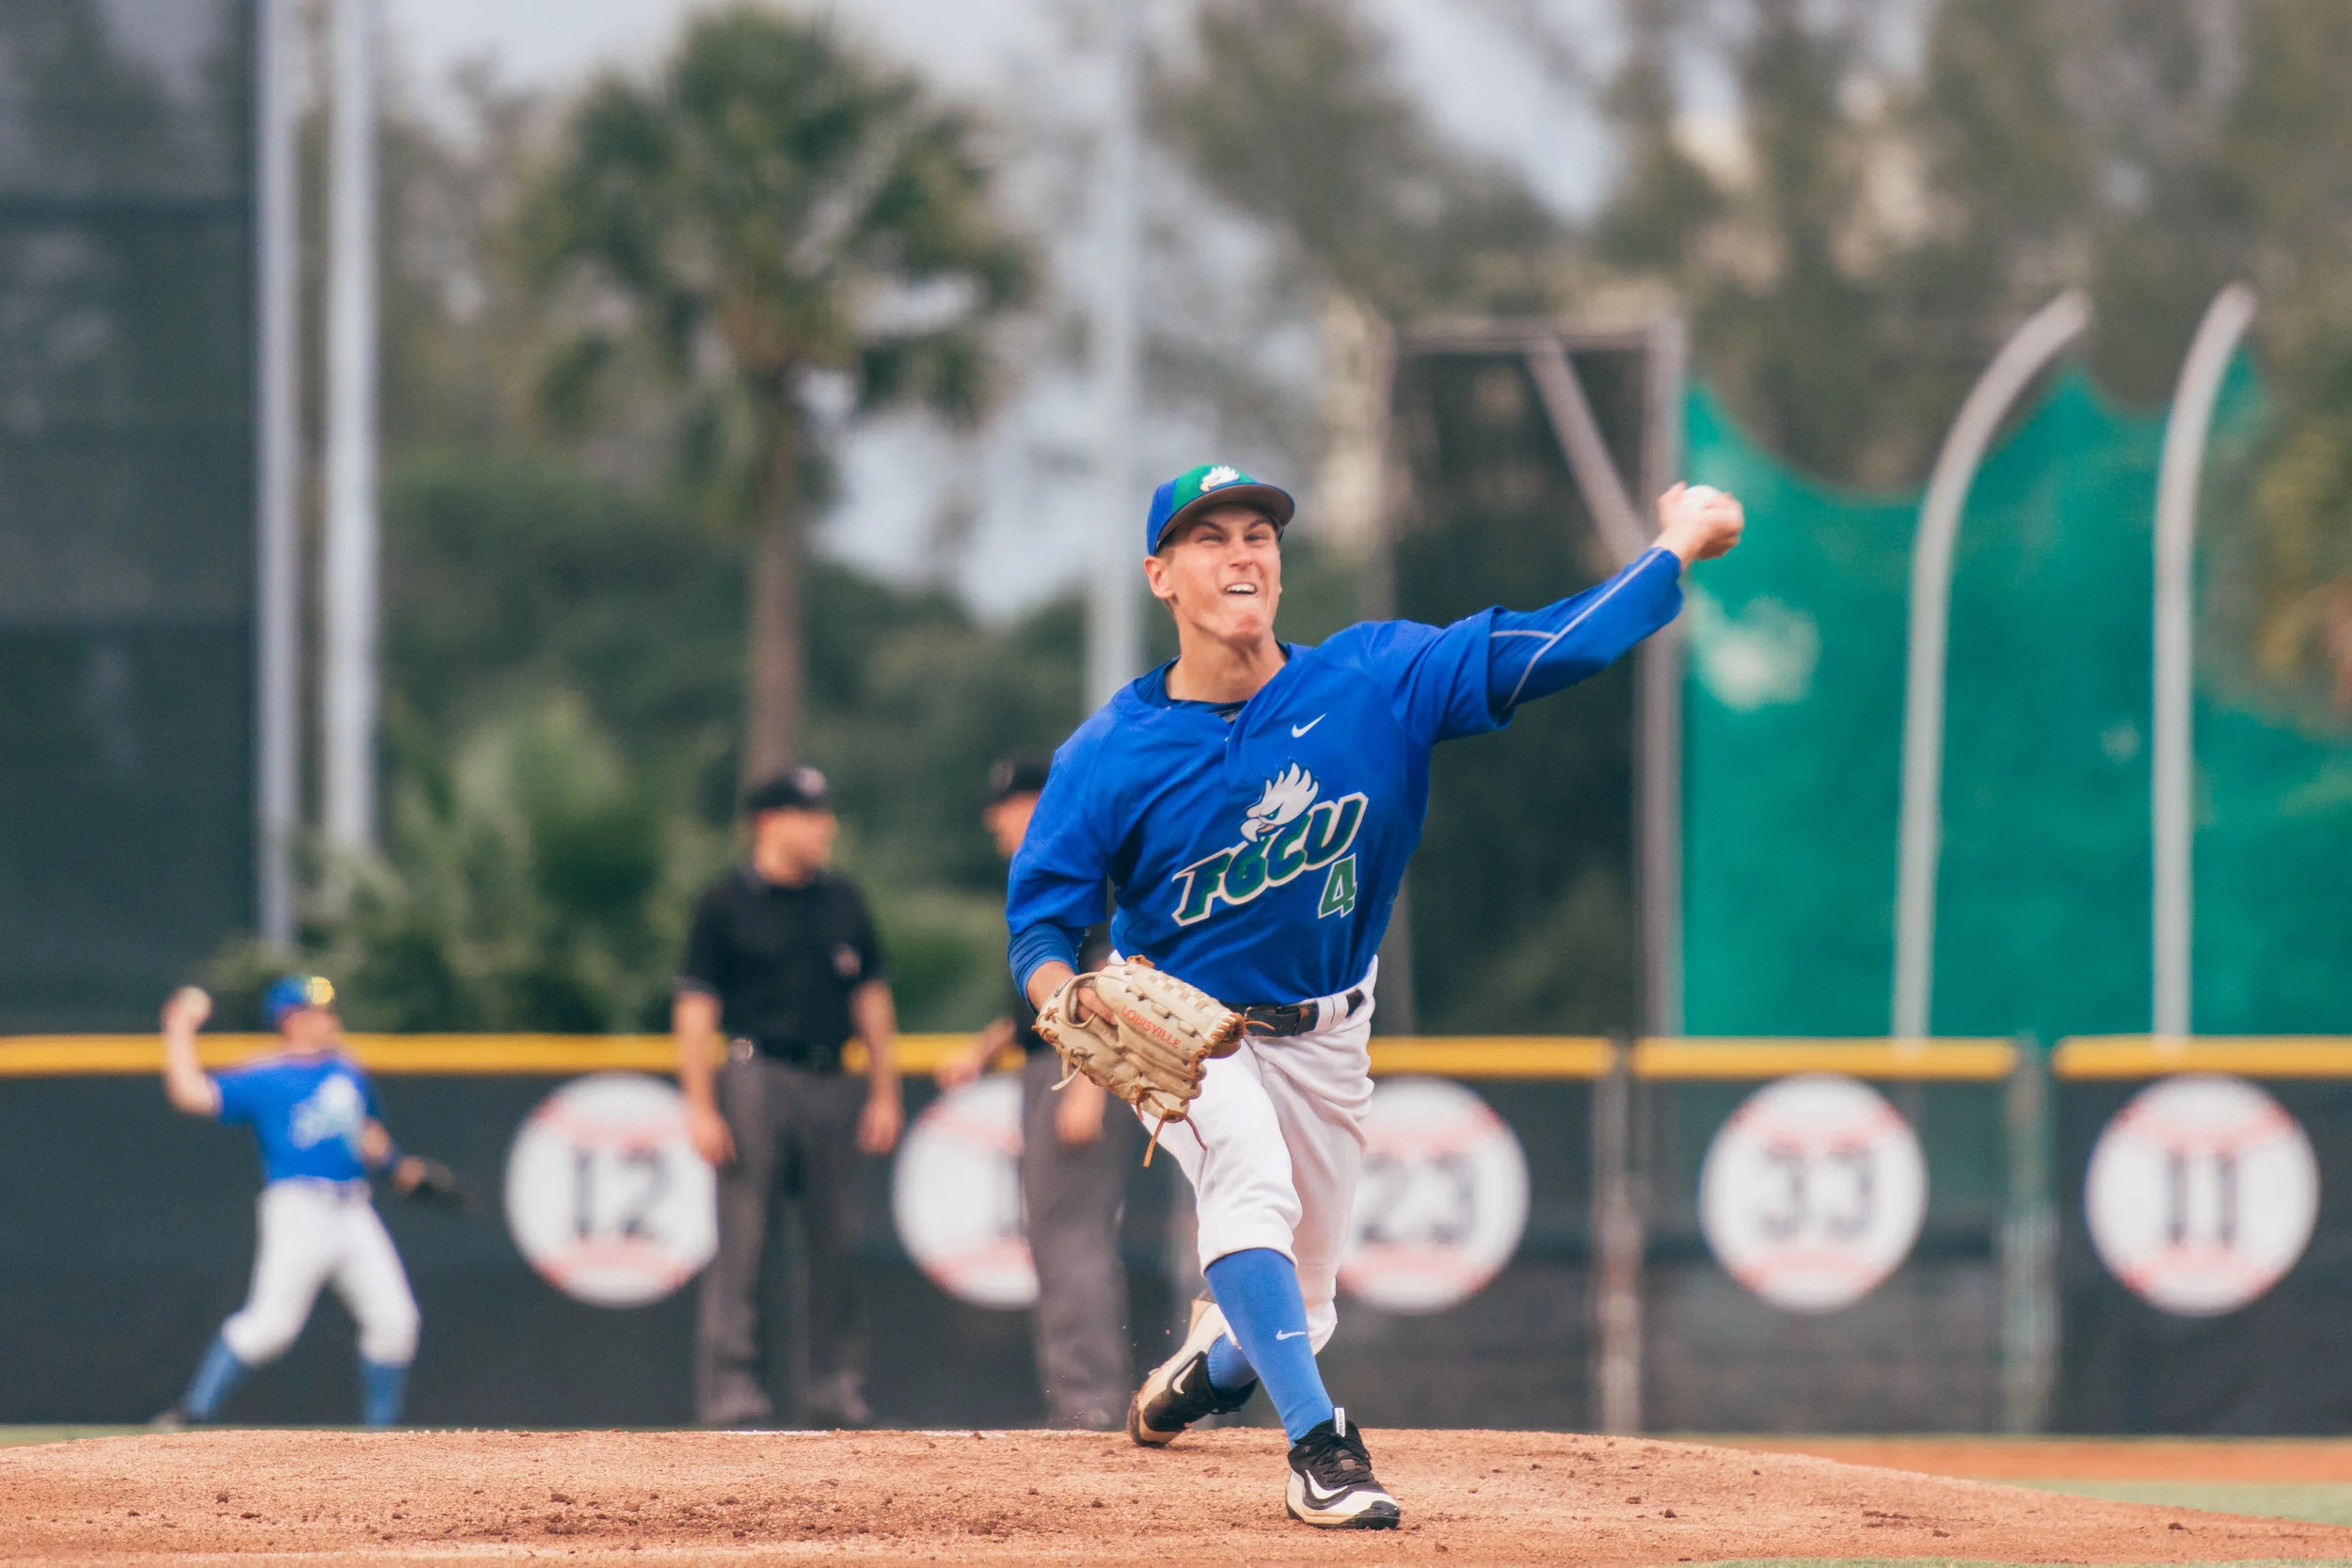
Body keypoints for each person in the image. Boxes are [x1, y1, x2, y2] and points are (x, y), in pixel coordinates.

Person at [1007, 463, 1744, 1528]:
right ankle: (1321, 1447)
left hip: (1328, 1029)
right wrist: (1068, 1000)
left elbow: (1556, 644)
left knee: (1305, 1305)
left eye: (1258, 532)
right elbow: (1040, 919)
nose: (1243, 552)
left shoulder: (1374, 679)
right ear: (1160, 575)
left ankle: (1209, 1371)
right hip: (1188, 1033)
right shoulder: (1110, 753)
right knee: (1245, 1176)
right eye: (1210, 537)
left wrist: (1672, 543)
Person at [676, 765, 902, 1429]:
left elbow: (871, 994)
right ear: (769, 822)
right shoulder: (724, 902)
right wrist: (699, 1103)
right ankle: (733, 1393)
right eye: (809, 813)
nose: (823, 825)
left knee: (836, 1243)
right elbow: (695, 1006)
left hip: (834, 1076)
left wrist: (885, 1088)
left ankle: (835, 1390)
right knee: (743, 1243)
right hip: (753, 1075)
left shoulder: (842, 900)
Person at [939, 758, 1136, 1430]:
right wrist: (986, 1048)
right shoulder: (1043, 877)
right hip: (1052, 1060)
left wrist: (1089, 1084)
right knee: (1060, 1235)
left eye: (1008, 803)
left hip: (1083, 1066)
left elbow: (1106, 982)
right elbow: (1034, 1001)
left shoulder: (1083, 865)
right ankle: (1084, 1393)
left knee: (1070, 1235)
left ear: (1038, 805)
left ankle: (1090, 1399)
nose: (996, 818)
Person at [152, 976, 428, 1429]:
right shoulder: (266, 1074)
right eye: (319, 1010)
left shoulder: (345, 1069)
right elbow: (190, 1093)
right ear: (292, 1019)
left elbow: (367, 1136)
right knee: (270, 1328)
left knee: (396, 1321)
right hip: (299, 1207)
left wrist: (398, 1165)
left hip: (354, 1208)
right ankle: (191, 1413)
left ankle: (384, 1438)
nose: (331, 1018)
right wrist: (179, 1028)